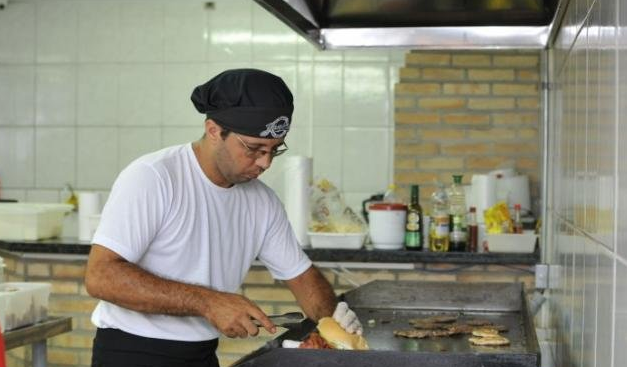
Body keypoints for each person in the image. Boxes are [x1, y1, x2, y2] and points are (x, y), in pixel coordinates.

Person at [84, 69, 362, 367]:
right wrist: (210, 302)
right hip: (132, 354)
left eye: (274, 151)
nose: (265, 163)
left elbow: (302, 276)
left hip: (202, 355)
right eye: (254, 149)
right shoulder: (154, 177)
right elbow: (101, 277)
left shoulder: (262, 201)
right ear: (214, 130)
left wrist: (333, 321)